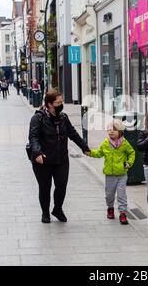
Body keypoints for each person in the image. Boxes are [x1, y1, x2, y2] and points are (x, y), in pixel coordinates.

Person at [28, 90, 90, 224]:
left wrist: (84, 147)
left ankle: (57, 209)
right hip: (43, 160)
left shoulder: (63, 117)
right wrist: (37, 153)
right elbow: (33, 137)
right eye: (58, 103)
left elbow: (72, 133)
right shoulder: (38, 118)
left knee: (61, 185)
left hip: (61, 158)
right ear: (49, 104)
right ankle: (45, 213)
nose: (61, 104)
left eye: (61, 102)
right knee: (45, 187)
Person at [86, 120, 135, 225]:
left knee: (122, 194)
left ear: (120, 132)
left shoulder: (124, 143)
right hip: (110, 175)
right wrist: (90, 153)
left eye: (114, 130)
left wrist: (129, 163)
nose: (111, 132)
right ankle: (110, 208)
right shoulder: (106, 143)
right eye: (109, 130)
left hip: (122, 174)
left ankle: (123, 213)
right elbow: (99, 153)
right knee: (109, 195)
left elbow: (132, 153)